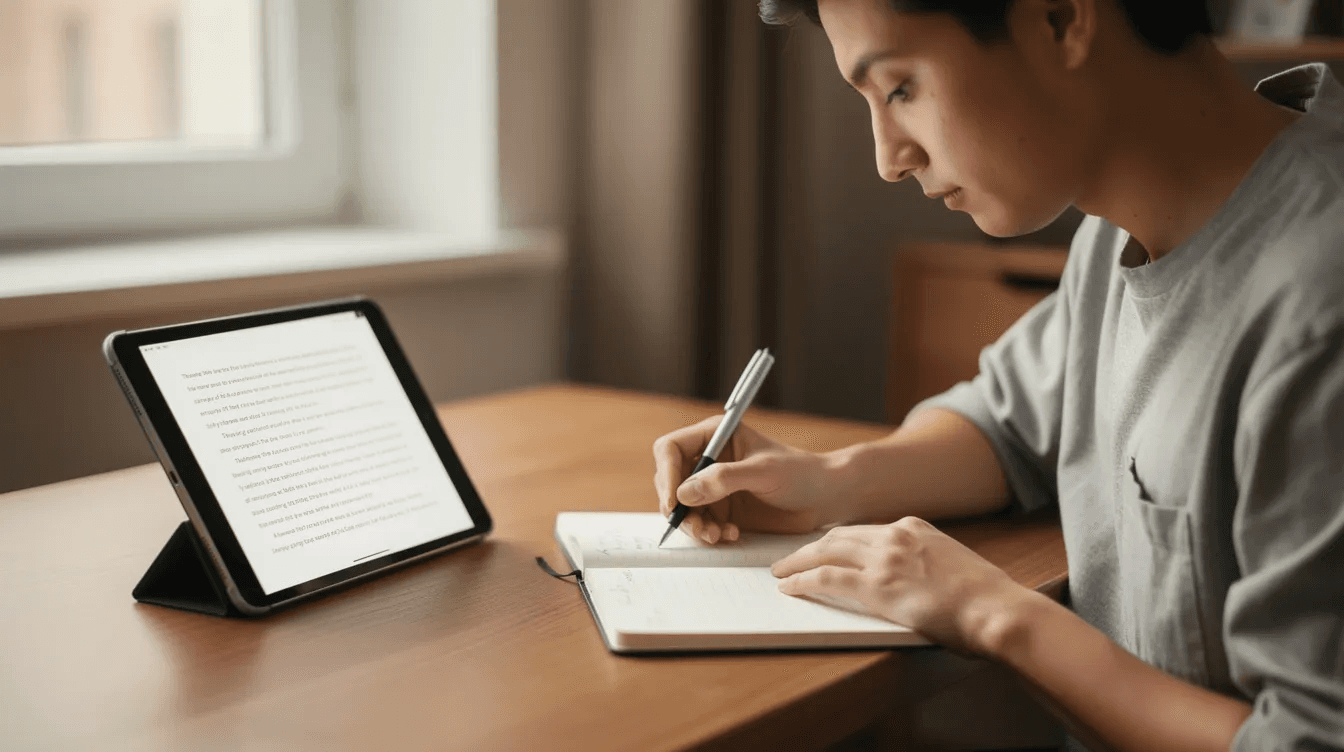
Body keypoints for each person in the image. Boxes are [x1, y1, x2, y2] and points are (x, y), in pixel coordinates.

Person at [650, 0, 1344, 750]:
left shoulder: (1317, 302)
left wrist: (995, 615)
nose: (887, 158)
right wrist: (828, 481)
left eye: (900, 88)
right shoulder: (1118, 234)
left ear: (1059, 18)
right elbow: (1004, 423)